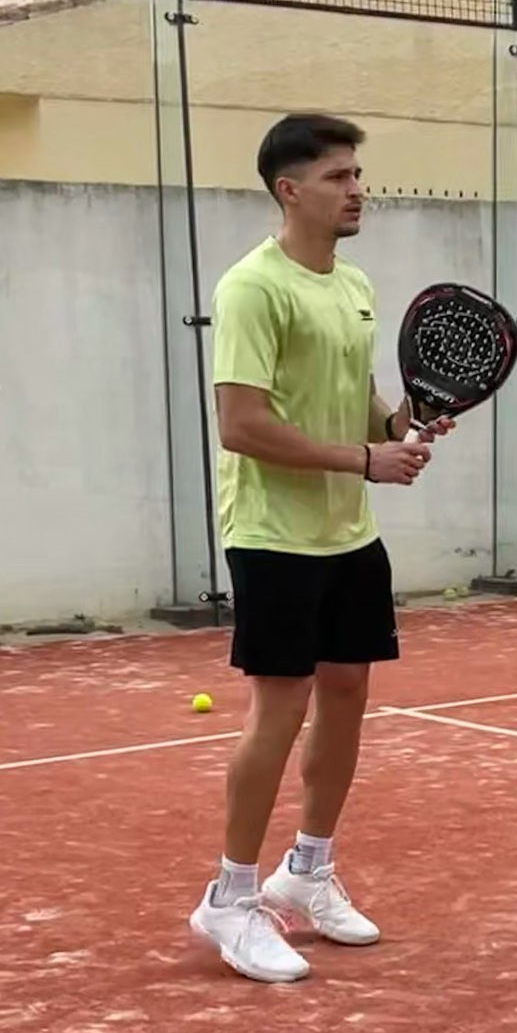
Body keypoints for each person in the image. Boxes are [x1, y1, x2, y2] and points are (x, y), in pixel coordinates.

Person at [189, 113, 439, 984]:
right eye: (338, 177)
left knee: (346, 697)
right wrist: (366, 460)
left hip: (348, 535)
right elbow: (241, 424)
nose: (357, 190)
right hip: (273, 535)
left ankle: (308, 872)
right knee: (280, 709)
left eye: (357, 174)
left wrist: (403, 424)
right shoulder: (252, 289)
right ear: (289, 191)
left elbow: (359, 404)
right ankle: (230, 898)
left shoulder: (353, 284)